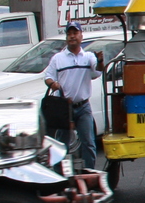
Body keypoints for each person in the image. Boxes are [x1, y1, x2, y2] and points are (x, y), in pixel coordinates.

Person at [43, 21, 104, 170]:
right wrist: (53, 84)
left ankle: (89, 172)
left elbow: (97, 72)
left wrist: (101, 61)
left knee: (88, 142)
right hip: (64, 108)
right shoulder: (58, 58)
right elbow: (48, 76)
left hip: (83, 107)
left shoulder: (88, 57)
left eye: (75, 33)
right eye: (69, 34)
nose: (72, 37)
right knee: (61, 145)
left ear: (81, 36)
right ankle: (59, 176)